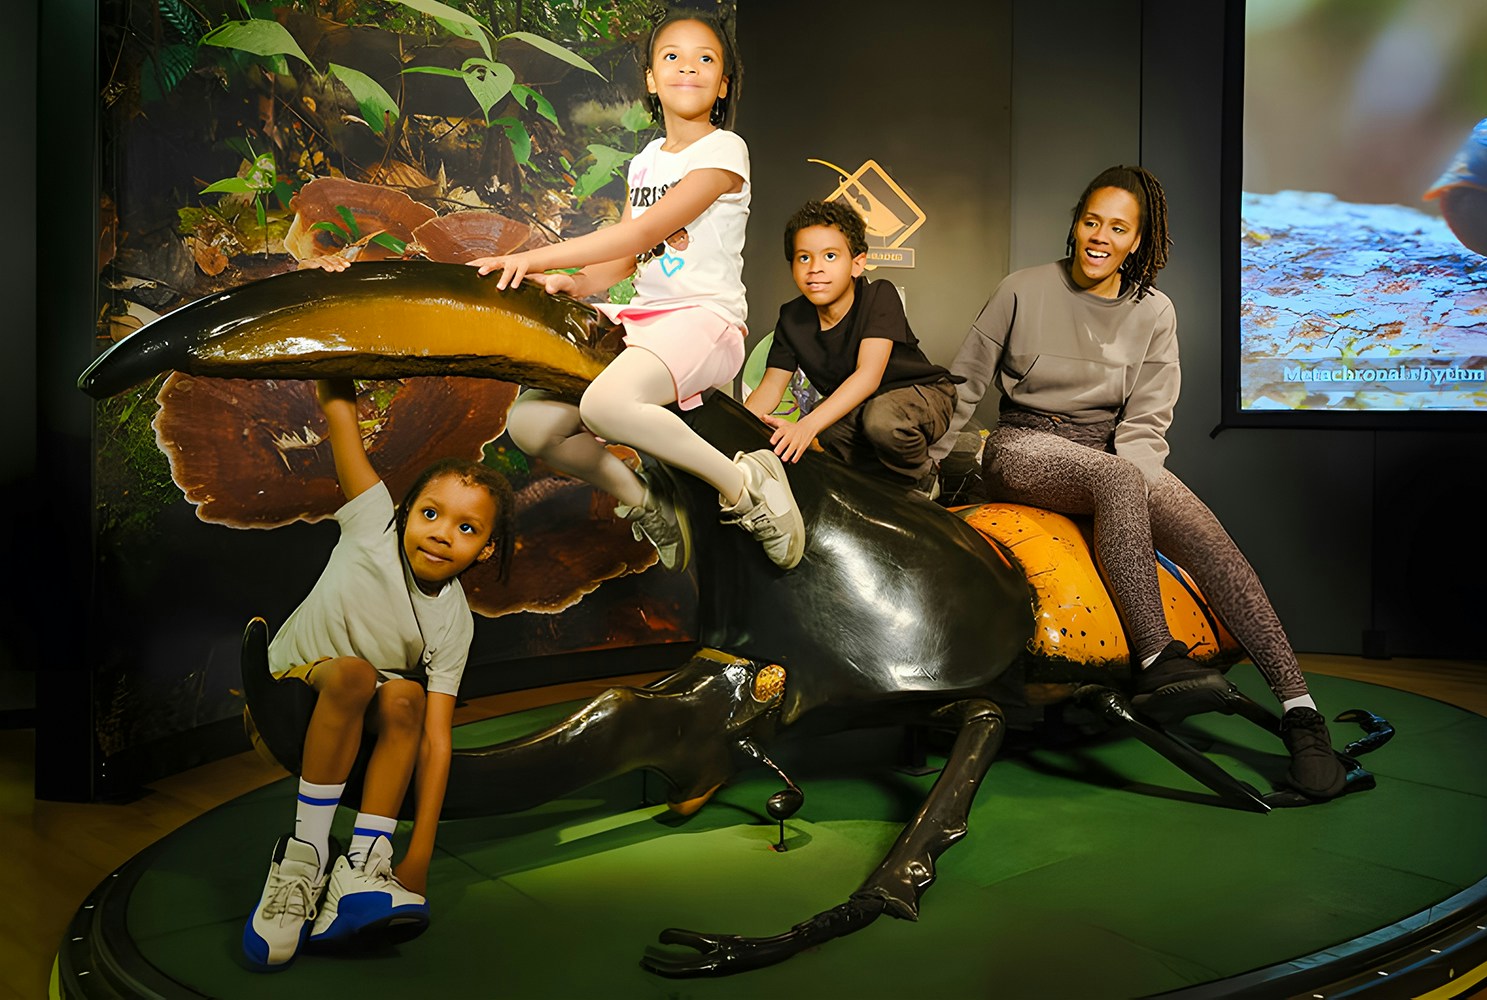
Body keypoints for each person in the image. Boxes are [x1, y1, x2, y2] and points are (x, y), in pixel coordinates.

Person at [930, 164, 1345, 799]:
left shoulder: (1155, 311)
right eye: (1091, 221)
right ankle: (1157, 659)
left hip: (1114, 455)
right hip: (1021, 444)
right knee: (1119, 479)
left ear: (1138, 241)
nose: (1100, 236)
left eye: (1117, 228)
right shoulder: (1021, 288)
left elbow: (1147, 421)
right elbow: (961, 389)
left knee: (1214, 546)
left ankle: (1300, 714)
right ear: (1075, 224)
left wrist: (1147, 491)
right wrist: (924, 475)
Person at [470, 9, 804, 571]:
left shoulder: (725, 149)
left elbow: (644, 231)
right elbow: (623, 259)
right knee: (529, 425)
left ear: (722, 84)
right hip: (646, 320)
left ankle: (748, 485)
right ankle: (648, 502)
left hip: (703, 321)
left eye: (706, 59)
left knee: (605, 405)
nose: (687, 68)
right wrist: (571, 282)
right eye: (671, 56)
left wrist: (529, 256)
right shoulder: (647, 161)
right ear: (651, 78)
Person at [242, 375, 515, 971]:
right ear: (404, 510)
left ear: (487, 549)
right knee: (356, 676)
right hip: (282, 703)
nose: (443, 533)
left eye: (467, 529)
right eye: (431, 513)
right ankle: (304, 857)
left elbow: (435, 741)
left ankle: (364, 861)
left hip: (353, 725)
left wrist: (420, 853)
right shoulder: (372, 524)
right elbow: (337, 410)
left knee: (407, 700)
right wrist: (338, 357)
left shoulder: (455, 625)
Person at [744, 200, 960, 498]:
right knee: (829, 434)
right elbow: (770, 387)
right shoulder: (792, 318)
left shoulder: (878, 295)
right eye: (803, 258)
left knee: (880, 420)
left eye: (830, 256)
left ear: (857, 263)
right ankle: (880, 489)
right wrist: (737, 428)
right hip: (866, 405)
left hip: (923, 394)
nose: (815, 268)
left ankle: (923, 478)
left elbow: (868, 376)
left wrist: (805, 427)